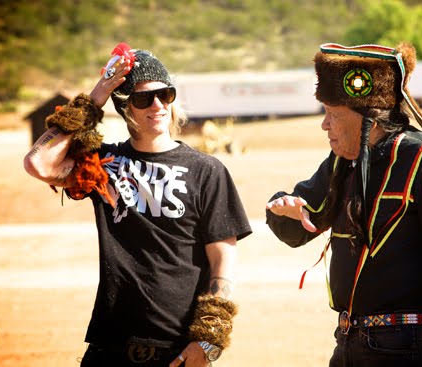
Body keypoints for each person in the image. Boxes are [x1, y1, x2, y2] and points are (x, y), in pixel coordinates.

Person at [265, 42, 422, 367]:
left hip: (405, 346)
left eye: (333, 114)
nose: (324, 125)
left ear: (369, 120)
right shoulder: (342, 161)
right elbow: (301, 223)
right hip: (346, 341)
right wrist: (285, 208)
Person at [23, 43, 252, 367]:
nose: (157, 105)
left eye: (165, 94)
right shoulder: (102, 163)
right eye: (144, 98)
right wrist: (97, 96)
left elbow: (223, 256)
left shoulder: (206, 169)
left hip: (177, 349)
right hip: (110, 345)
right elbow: (39, 164)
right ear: (126, 107)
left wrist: (209, 339)